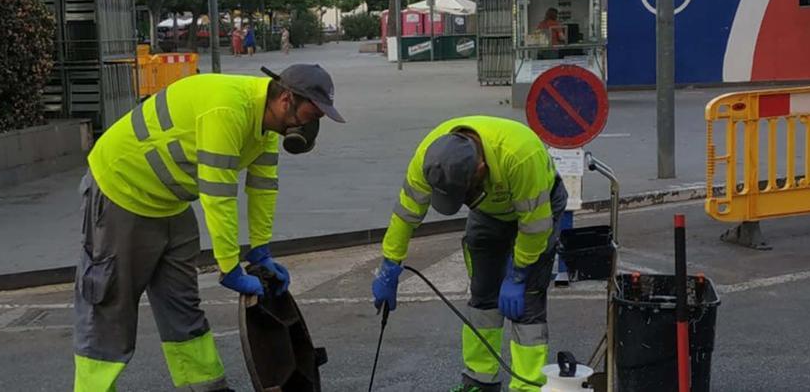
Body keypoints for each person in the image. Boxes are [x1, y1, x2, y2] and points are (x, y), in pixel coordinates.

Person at [74, 64, 346, 392]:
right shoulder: (228, 109)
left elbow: (262, 187)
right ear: (287, 99)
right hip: (122, 191)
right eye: (313, 112)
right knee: (109, 306)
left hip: (169, 201)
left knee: (181, 302)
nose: (313, 123)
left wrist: (261, 251)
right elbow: (218, 194)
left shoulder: (267, 127)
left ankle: (204, 387)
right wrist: (229, 265)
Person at [371, 116, 565, 392]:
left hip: (538, 208)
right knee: (483, 296)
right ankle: (480, 381)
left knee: (527, 304)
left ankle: (528, 386)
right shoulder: (431, 157)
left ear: (481, 168)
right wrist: (389, 265)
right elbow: (405, 215)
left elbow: (534, 228)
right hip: (488, 213)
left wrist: (519, 273)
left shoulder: (521, 156)